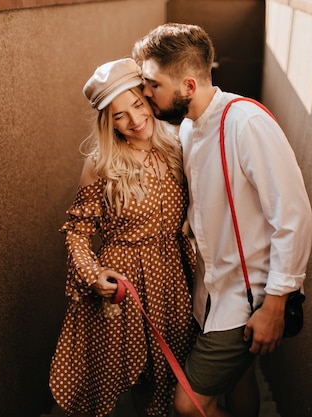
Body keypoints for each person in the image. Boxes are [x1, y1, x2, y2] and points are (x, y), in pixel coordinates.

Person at [133, 24, 312, 417]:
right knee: (239, 379)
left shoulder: (246, 123)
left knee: (189, 404)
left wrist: (275, 304)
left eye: (153, 84)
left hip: (248, 300)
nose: (145, 94)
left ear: (189, 86)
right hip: (210, 293)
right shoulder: (187, 129)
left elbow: (293, 216)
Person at [49, 58, 198, 417]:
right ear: (108, 122)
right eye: (119, 115)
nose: (134, 120)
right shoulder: (100, 163)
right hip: (123, 283)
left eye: (137, 104)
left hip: (173, 280)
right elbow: (78, 231)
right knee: (119, 380)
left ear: (149, 100)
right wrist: (93, 275)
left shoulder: (178, 147)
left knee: (169, 379)